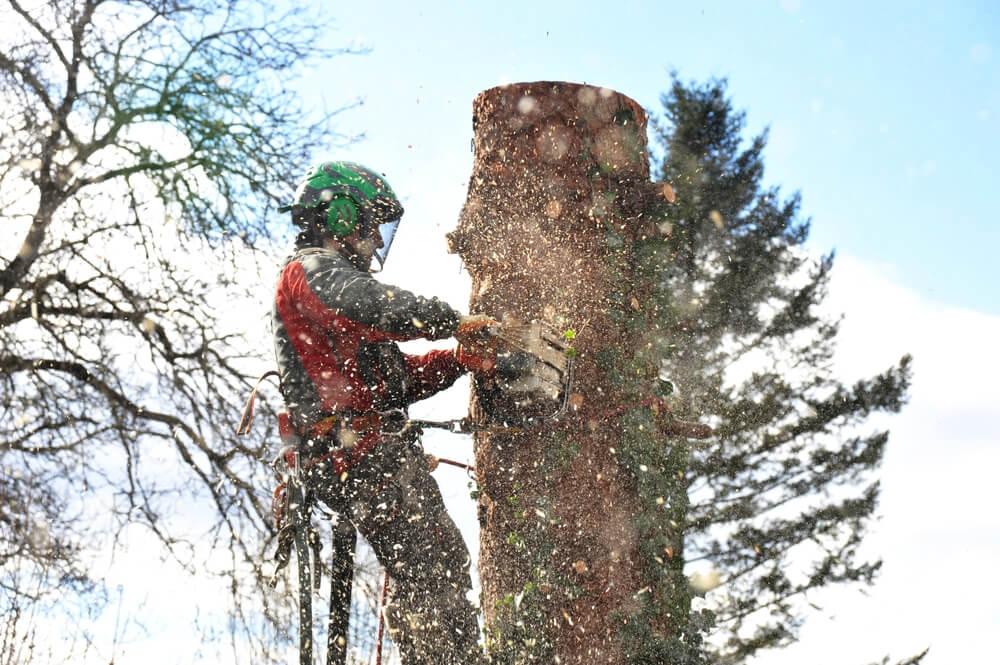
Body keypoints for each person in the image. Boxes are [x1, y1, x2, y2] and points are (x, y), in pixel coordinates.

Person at [272, 161, 493, 665]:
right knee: (432, 564)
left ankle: (447, 655)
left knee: (436, 562)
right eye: (371, 225)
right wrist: (451, 320)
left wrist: (458, 358)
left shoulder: (335, 292)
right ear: (341, 215)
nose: (375, 240)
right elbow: (371, 305)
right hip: (355, 454)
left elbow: (395, 382)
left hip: (367, 450)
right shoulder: (311, 272)